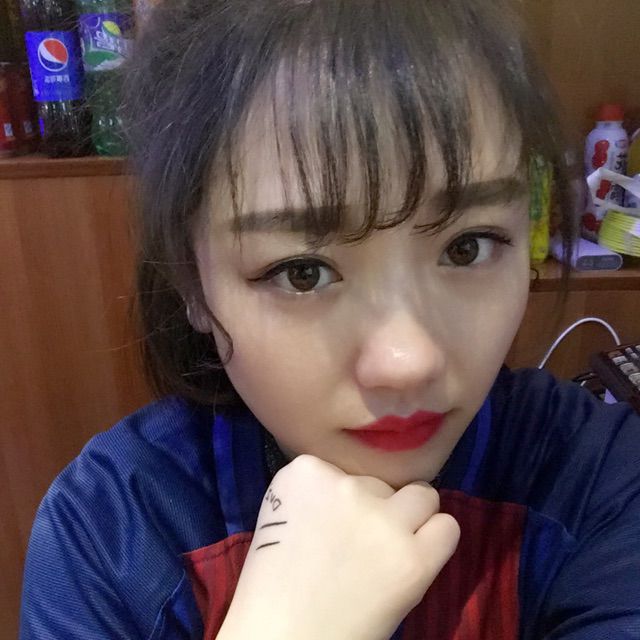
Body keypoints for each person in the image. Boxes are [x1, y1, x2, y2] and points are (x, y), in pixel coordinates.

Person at [19, 0, 640, 638]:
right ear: (192, 283)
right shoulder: (109, 533)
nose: (408, 361)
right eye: (302, 272)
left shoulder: (601, 482)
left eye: (467, 247)